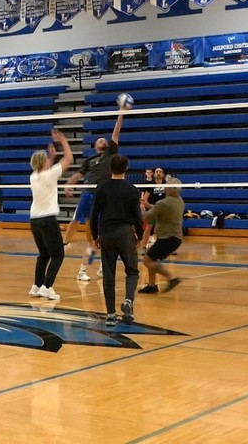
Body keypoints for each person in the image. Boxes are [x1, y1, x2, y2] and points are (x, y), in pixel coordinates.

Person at [64, 106, 128, 281]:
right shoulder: (90, 160)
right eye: (99, 140)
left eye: (104, 140)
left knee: (98, 239)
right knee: (78, 222)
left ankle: (94, 267)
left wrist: (121, 114)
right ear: (95, 146)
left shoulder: (111, 154)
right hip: (89, 194)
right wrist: (69, 184)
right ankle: (65, 244)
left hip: (104, 197)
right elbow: (78, 175)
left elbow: (116, 133)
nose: (103, 141)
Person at [89, 154, 143, 326]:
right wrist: (140, 236)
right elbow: (137, 216)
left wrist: (95, 235)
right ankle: (128, 300)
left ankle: (111, 314)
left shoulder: (102, 187)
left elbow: (94, 214)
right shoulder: (132, 189)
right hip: (125, 233)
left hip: (107, 233)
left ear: (110, 168)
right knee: (132, 270)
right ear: (126, 168)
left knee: (108, 274)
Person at [28, 129, 74, 302]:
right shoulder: (50, 174)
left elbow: (45, 166)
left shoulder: (33, 176)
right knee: (58, 254)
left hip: (34, 220)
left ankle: (36, 286)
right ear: (44, 163)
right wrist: (63, 140)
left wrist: (52, 156)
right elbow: (69, 159)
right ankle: (47, 287)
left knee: (43, 254)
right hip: (47, 219)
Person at [139, 176, 184, 294]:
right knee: (151, 257)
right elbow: (159, 209)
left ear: (168, 188)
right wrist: (149, 205)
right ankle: (152, 285)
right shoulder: (179, 201)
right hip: (176, 238)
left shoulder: (162, 203)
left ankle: (171, 278)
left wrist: (135, 211)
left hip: (167, 238)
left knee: (147, 260)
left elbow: (147, 216)